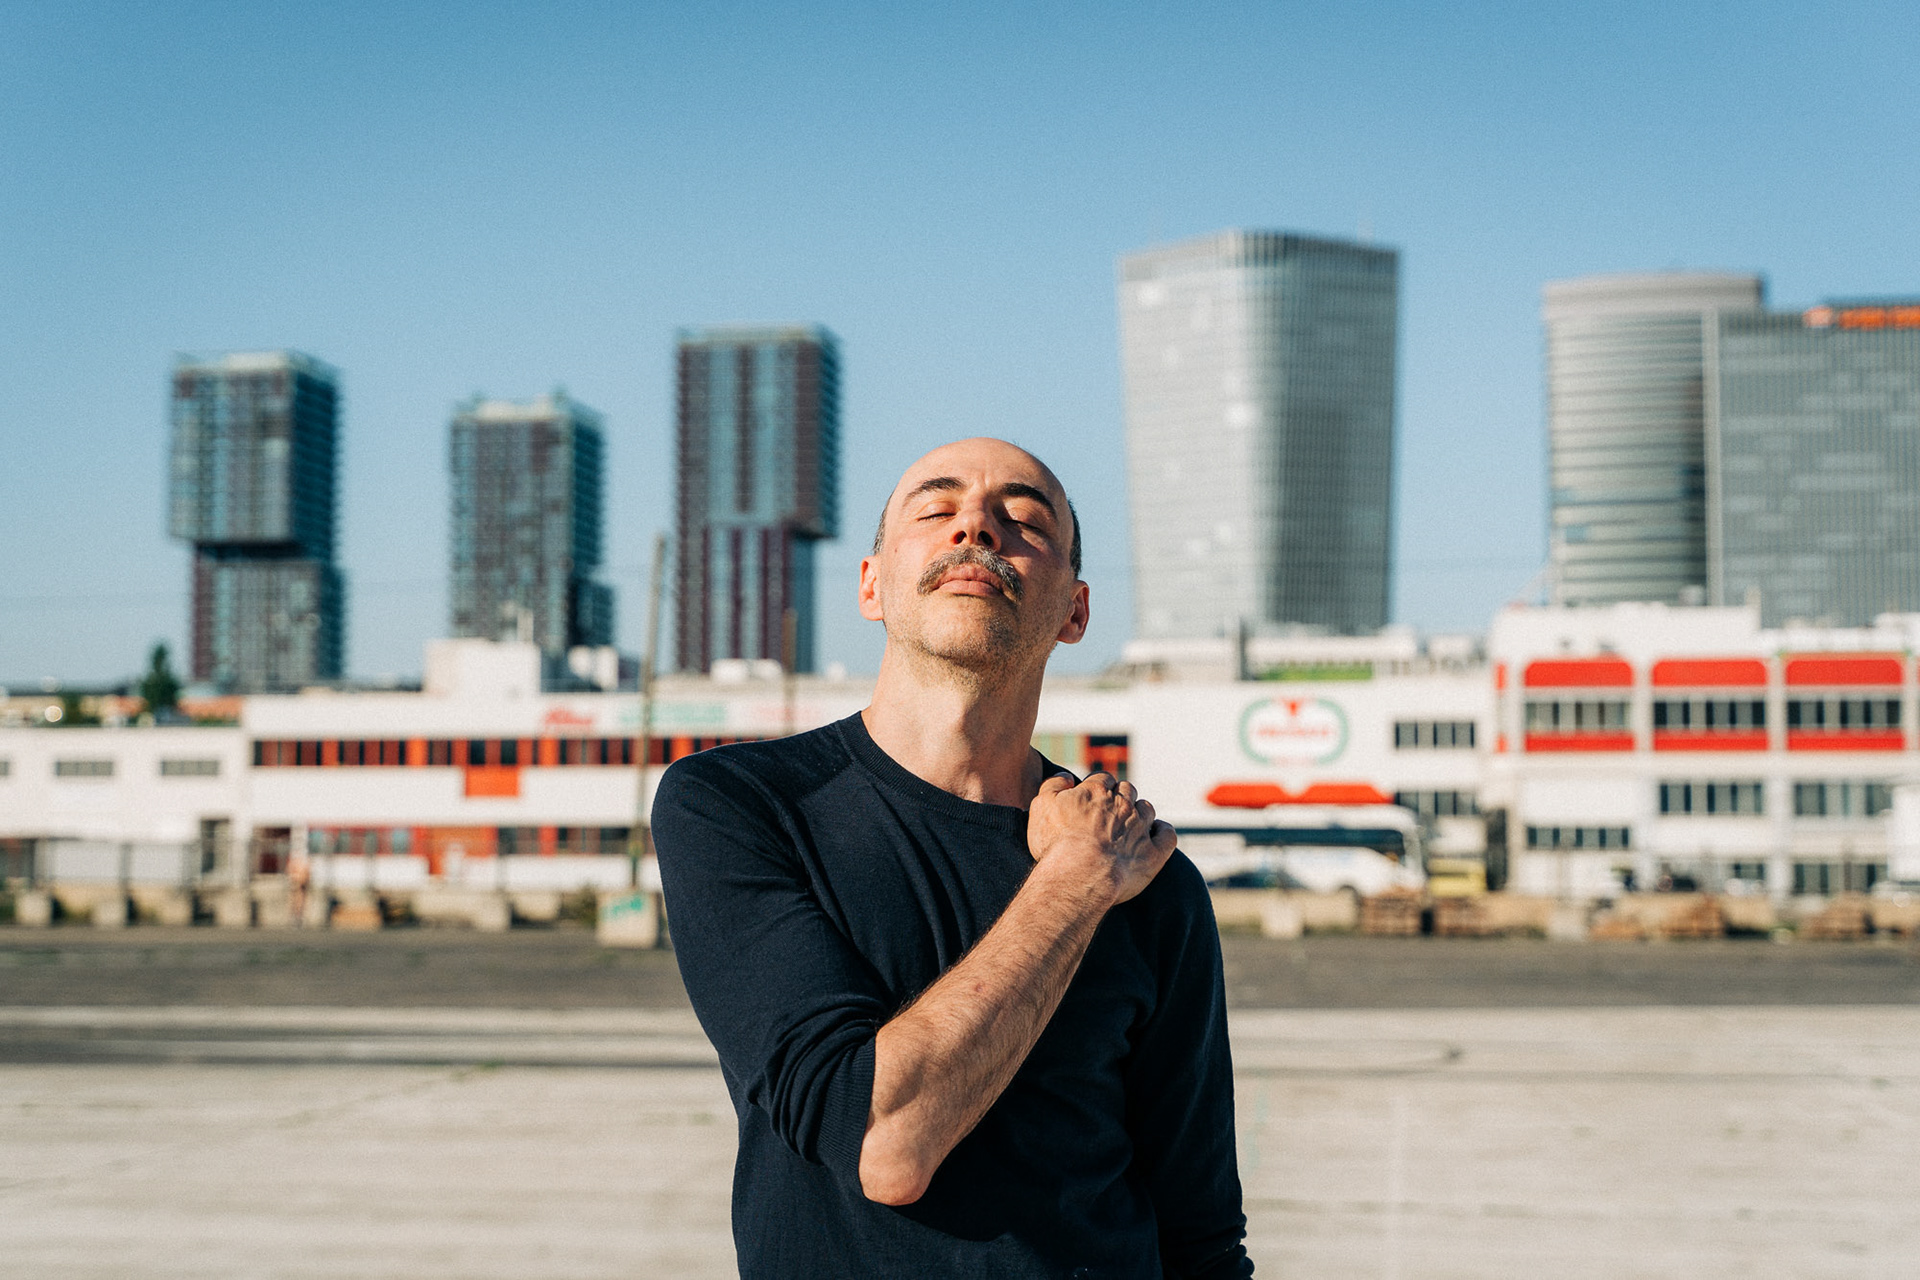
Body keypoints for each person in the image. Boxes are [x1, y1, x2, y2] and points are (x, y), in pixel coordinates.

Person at [653, 437, 1251, 1278]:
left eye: (1024, 520)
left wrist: (1102, 868)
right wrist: (1074, 882)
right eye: (936, 510)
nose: (976, 526)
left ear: (1075, 611)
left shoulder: (1151, 877)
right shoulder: (743, 806)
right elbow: (884, 1144)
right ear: (872, 586)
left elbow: (1202, 1235)